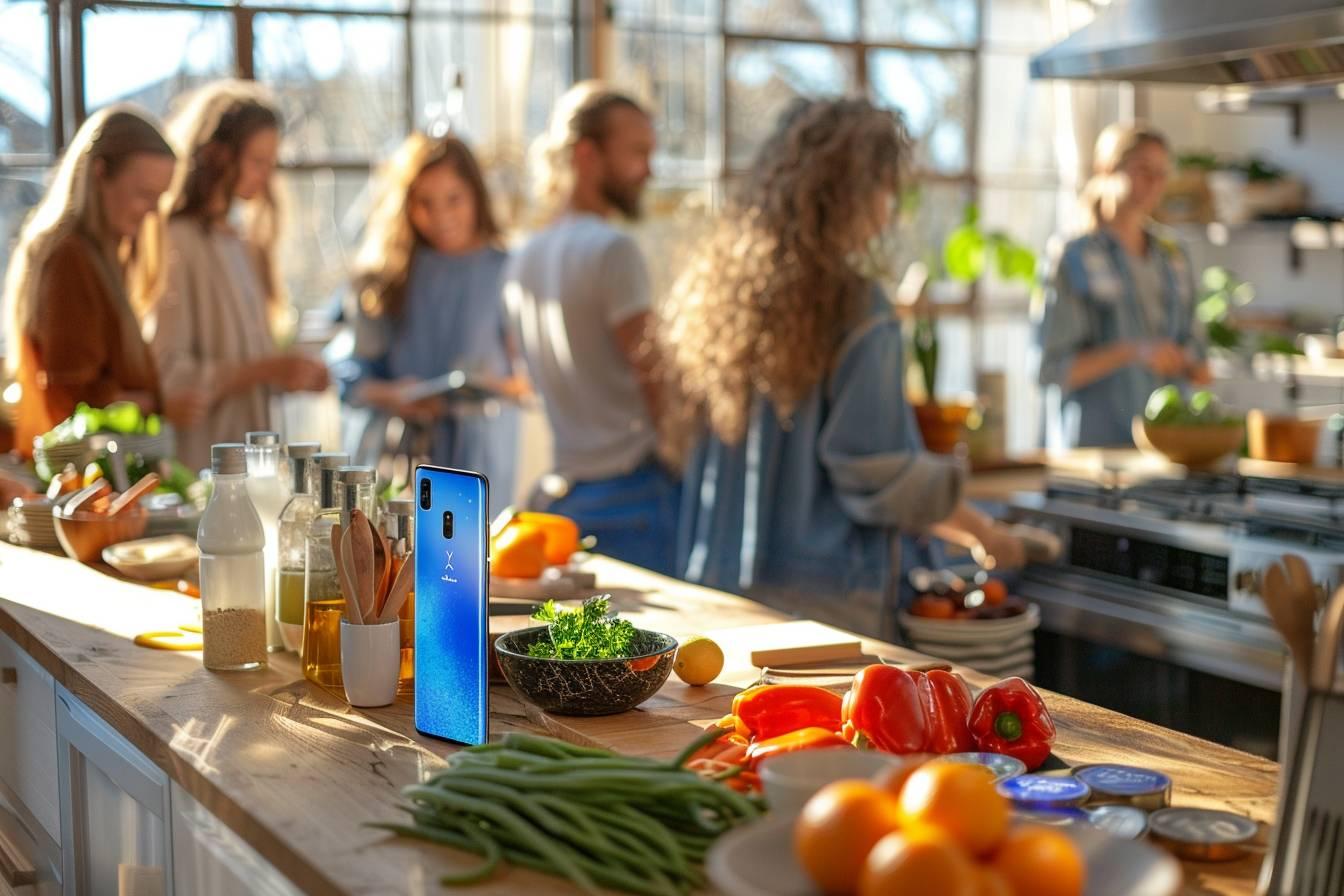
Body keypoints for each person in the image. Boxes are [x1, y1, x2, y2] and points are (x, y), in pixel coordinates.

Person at [657, 97, 1028, 640]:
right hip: (826, 611)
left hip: (720, 591)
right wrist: (982, 530)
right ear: (851, 194)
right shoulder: (857, 306)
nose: (890, 210)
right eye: (885, 189)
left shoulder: (726, 294)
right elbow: (874, 472)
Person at [502, 81, 678, 573]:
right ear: (587, 155)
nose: (649, 170)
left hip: (569, 493)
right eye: (637, 152)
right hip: (635, 495)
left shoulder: (523, 257)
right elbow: (653, 371)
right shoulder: (612, 250)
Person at [143, 81, 328, 471]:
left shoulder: (239, 243)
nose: (266, 176)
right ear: (218, 155)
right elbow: (169, 374)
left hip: (251, 468)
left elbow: (243, 365)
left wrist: (288, 373)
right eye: (258, 161)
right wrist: (266, 369)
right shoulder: (177, 240)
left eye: (271, 163)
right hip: (204, 469)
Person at [2, 106, 208, 454]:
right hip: (82, 475)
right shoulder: (70, 258)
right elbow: (71, 398)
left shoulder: (100, 255)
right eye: (143, 194)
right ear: (99, 174)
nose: (151, 212)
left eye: (159, 199)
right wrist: (158, 404)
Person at [341, 133, 522, 508]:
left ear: (476, 195)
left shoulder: (508, 270)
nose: (441, 216)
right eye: (425, 202)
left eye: (453, 199)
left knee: (470, 559)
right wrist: (395, 395)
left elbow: (529, 376)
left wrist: (491, 386)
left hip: (479, 456)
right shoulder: (386, 275)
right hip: (404, 458)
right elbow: (351, 373)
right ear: (405, 205)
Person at [1037, 122, 1208, 449]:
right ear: (1106, 169)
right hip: (1095, 450)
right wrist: (1132, 352)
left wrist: (1191, 363)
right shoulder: (1072, 257)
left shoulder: (1174, 256)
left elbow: (1196, 354)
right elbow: (1053, 371)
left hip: (1169, 450)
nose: (1154, 183)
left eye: (1162, 173)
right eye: (1142, 170)